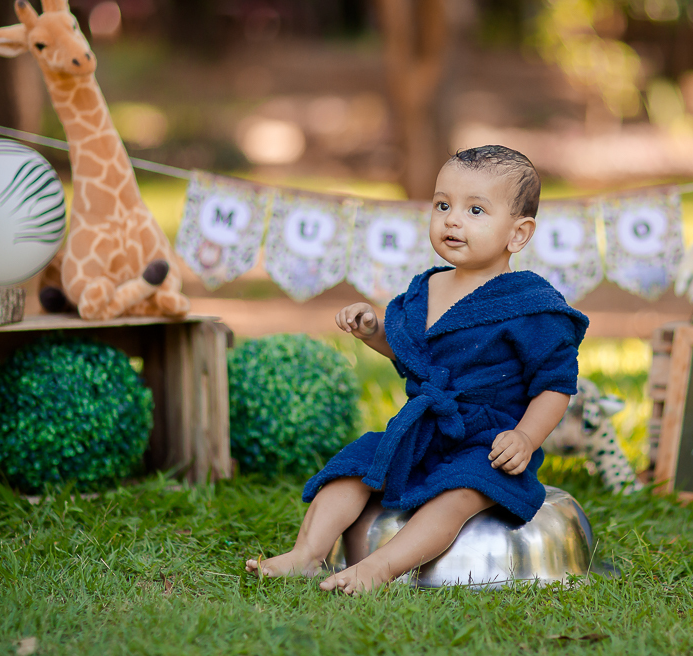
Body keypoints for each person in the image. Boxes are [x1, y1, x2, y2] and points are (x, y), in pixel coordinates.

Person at [245, 145, 589, 594]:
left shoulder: (531, 306)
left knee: (458, 495)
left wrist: (525, 436)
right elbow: (411, 356)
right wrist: (373, 332)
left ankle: (379, 568)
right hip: (422, 431)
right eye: (443, 204)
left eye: (476, 210)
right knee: (351, 467)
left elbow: (555, 385)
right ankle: (306, 554)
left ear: (518, 234)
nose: (452, 220)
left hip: (488, 441)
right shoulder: (423, 291)